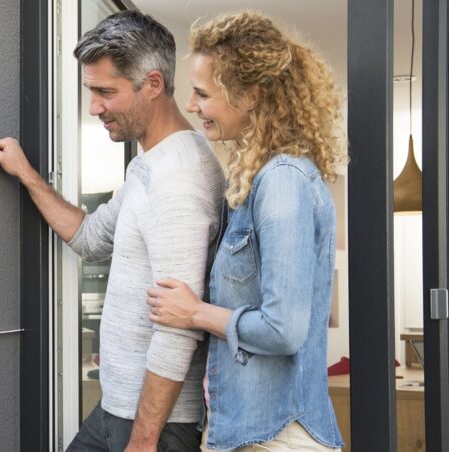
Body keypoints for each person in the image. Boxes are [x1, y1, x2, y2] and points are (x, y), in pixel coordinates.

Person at [0, 10, 224, 452]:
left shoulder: (180, 178)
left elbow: (179, 326)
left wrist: (145, 438)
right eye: (90, 91)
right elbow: (91, 237)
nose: (94, 106)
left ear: (152, 85)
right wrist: (25, 174)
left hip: (156, 424)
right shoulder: (149, 166)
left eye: (105, 92)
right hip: (121, 406)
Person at [146, 11, 346, 451]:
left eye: (202, 94)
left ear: (250, 96)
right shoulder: (256, 180)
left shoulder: (282, 182)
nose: (193, 106)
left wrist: (193, 312)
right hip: (248, 431)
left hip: (274, 437)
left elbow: (284, 328)